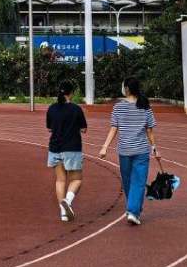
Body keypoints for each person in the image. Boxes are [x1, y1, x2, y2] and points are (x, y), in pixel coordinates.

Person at [99, 76, 159, 226]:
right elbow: (150, 131)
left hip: (124, 151)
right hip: (141, 150)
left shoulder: (118, 107)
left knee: (128, 182)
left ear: (126, 89)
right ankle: (134, 210)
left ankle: (132, 210)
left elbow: (114, 128)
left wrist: (105, 146)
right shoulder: (145, 106)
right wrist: (154, 148)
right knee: (138, 182)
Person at [46, 80, 88, 222]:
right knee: (76, 179)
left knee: (60, 180)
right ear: (72, 93)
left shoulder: (52, 108)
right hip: (72, 147)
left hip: (55, 148)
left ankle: (63, 213)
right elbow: (83, 128)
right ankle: (68, 201)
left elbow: (50, 128)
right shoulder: (76, 109)